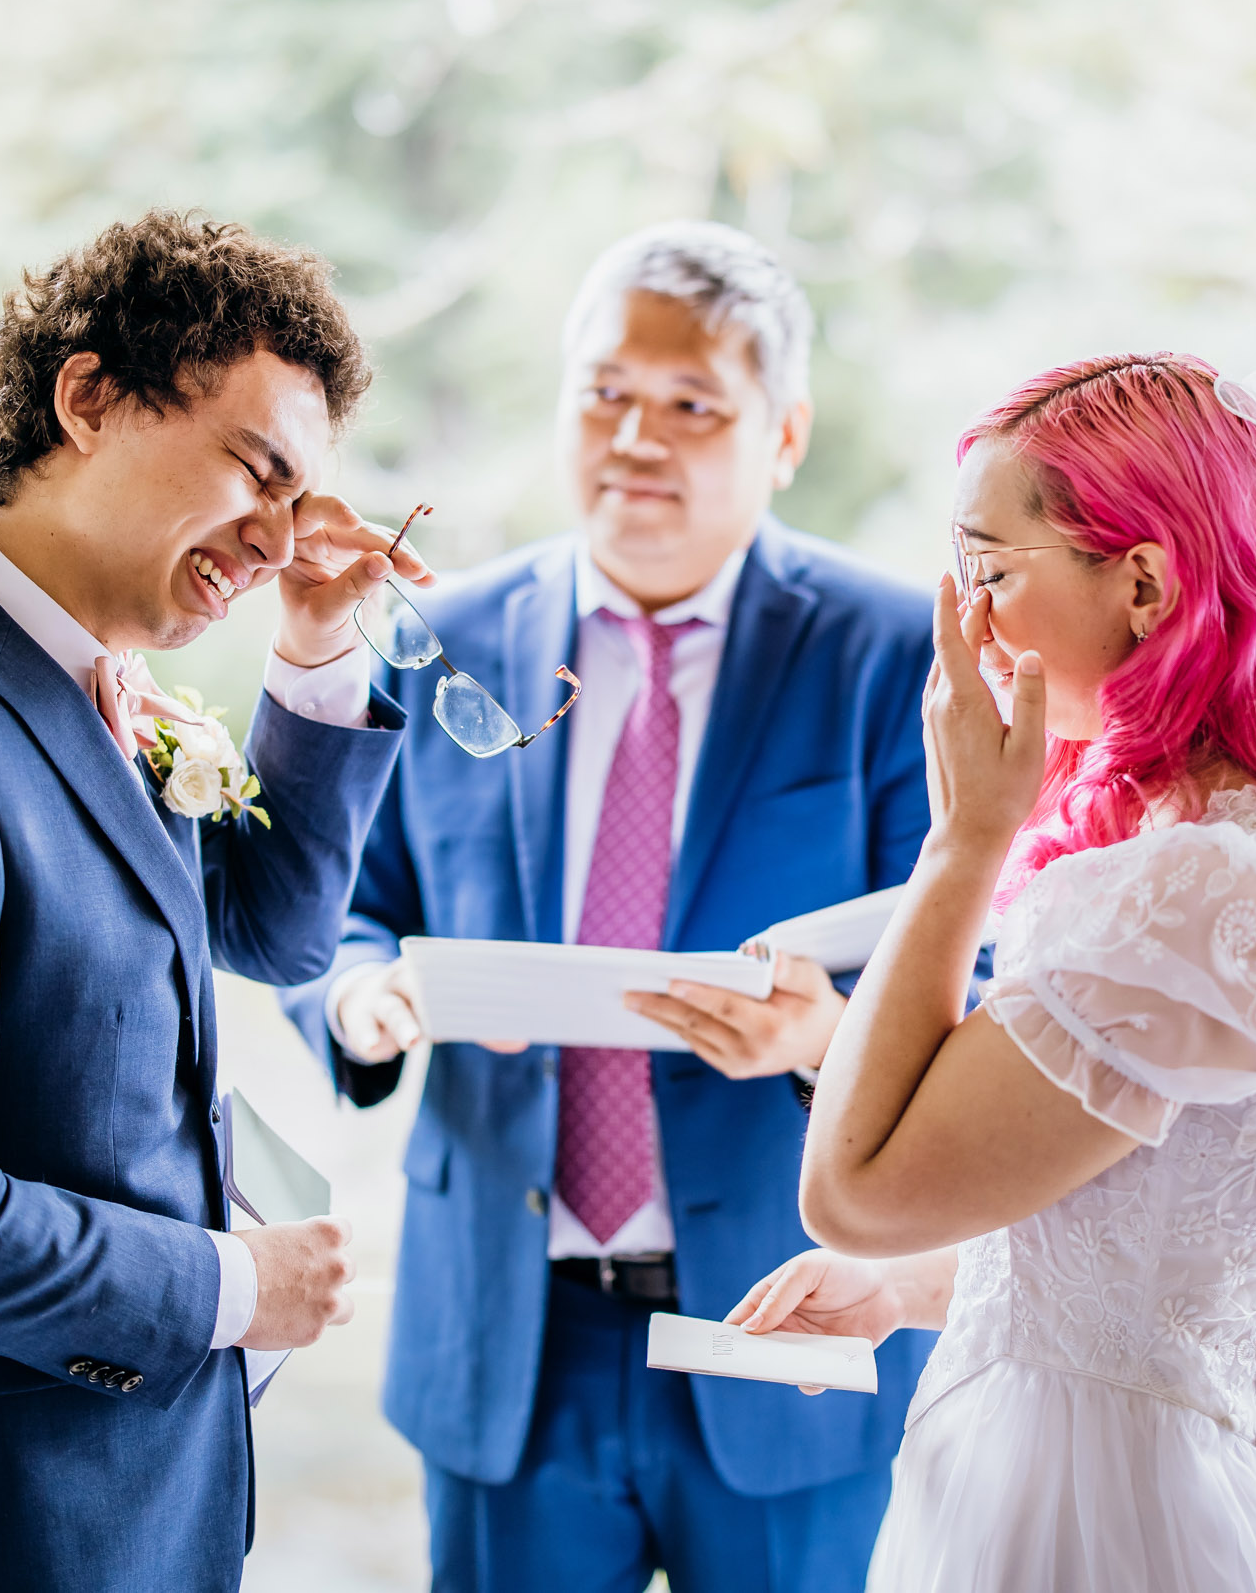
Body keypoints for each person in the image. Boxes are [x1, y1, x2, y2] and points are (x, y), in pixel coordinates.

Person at [729, 315, 1256, 1591]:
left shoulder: (1196, 885)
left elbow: (852, 1189)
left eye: (989, 570)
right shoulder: (1249, 850)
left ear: (1146, 585)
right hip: (1126, 1460)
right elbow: (1132, 1253)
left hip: (1095, 1517)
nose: (968, 625)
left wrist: (964, 839)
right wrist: (905, 1290)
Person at [0, 210, 434, 1593]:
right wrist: (238, 1285)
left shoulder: (86, 684)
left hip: (124, 1497)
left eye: (301, 497)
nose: (280, 535)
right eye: (257, 468)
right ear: (89, 396)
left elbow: (275, 930)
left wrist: (316, 640)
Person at [277, 222, 945, 1591]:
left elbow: (972, 979)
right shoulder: (441, 635)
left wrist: (828, 1041)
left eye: (693, 403)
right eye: (605, 391)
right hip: (508, 1336)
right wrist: (361, 992)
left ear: (785, 431)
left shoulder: (892, 654)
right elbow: (329, 908)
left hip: (788, 1323)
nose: (638, 435)